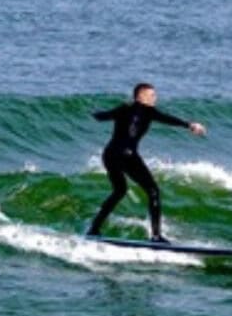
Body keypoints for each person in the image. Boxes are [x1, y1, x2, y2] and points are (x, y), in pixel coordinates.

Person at [86, 83, 206, 242]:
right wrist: (189, 125)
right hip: (127, 155)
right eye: (152, 95)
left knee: (119, 191)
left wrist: (91, 111)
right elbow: (167, 119)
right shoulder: (149, 111)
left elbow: (102, 117)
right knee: (153, 191)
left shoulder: (123, 108)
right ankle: (156, 236)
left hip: (109, 154)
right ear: (141, 96)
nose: (155, 98)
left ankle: (94, 229)